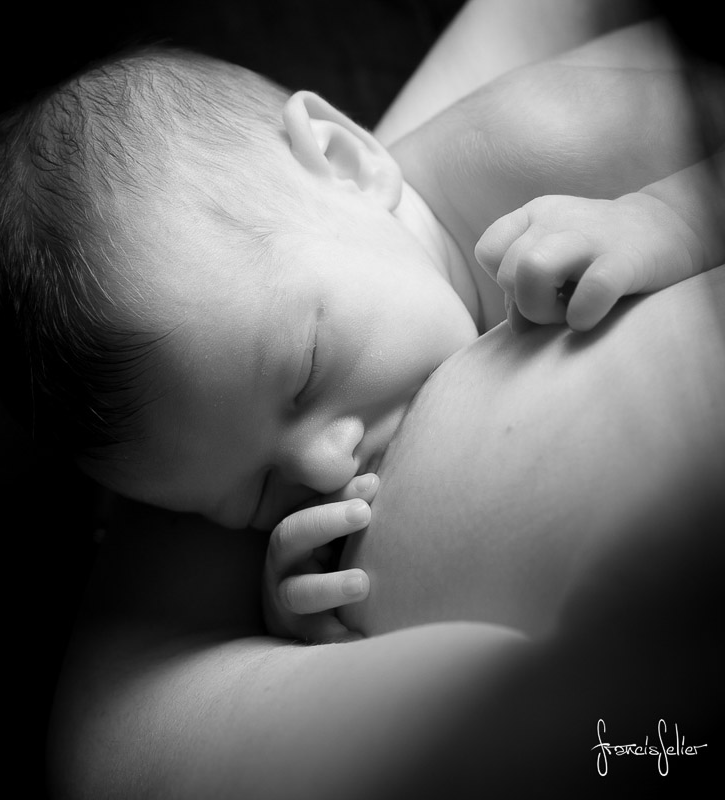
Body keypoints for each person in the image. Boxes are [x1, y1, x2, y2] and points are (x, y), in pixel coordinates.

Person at [36, 3, 723, 798]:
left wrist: (668, 219)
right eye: (254, 492)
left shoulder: (545, 138)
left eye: (306, 371)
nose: (324, 465)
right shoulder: (310, 353)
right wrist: (292, 601)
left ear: (346, 160)